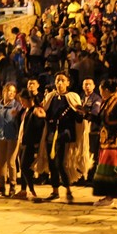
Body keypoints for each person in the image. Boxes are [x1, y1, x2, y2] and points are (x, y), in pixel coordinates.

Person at [35, 71, 89, 203]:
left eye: (62, 80)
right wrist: (42, 116)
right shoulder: (50, 97)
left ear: (68, 83)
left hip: (65, 133)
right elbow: (45, 114)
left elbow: (78, 118)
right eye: (57, 80)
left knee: (60, 163)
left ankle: (68, 190)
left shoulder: (73, 97)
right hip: (51, 132)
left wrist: (81, 113)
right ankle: (55, 191)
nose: (59, 83)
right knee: (52, 163)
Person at [91, 79, 117, 209]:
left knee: (111, 171)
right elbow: (100, 120)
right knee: (104, 171)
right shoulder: (106, 102)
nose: (100, 92)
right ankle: (109, 197)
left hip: (114, 141)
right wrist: (85, 113)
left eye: (101, 90)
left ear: (107, 90)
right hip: (105, 140)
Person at [0, 83, 22, 197]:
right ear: (4, 91)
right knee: (2, 162)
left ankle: (13, 185)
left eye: (14, 91)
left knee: (11, 162)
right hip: (0, 136)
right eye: (10, 91)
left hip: (13, 136)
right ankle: (2, 186)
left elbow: (21, 119)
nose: (12, 93)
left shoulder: (17, 105)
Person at [15, 89, 44, 200]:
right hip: (22, 140)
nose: (21, 103)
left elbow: (39, 126)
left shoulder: (36, 110)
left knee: (25, 166)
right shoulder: (25, 110)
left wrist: (37, 143)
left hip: (30, 143)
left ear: (30, 99)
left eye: (23, 100)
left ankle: (32, 190)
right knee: (23, 167)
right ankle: (23, 190)